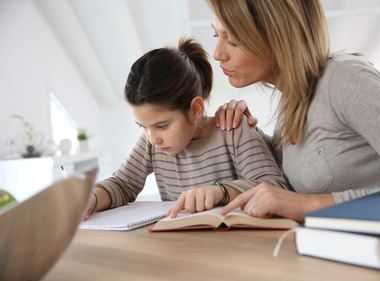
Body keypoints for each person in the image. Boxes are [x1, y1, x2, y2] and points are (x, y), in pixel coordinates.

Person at [205, 0, 380, 222]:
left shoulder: (346, 79)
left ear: (279, 34)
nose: (217, 54)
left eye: (233, 40)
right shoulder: (292, 101)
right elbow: (283, 176)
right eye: (217, 35)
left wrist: (311, 205)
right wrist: (244, 128)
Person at [83, 37, 287, 220]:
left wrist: (220, 192)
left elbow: (274, 186)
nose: (153, 138)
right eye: (143, 127)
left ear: (196, 109)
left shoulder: (233, 130)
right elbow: (122, 184)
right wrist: (92, 198)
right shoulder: (151, 143)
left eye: (162, 126)